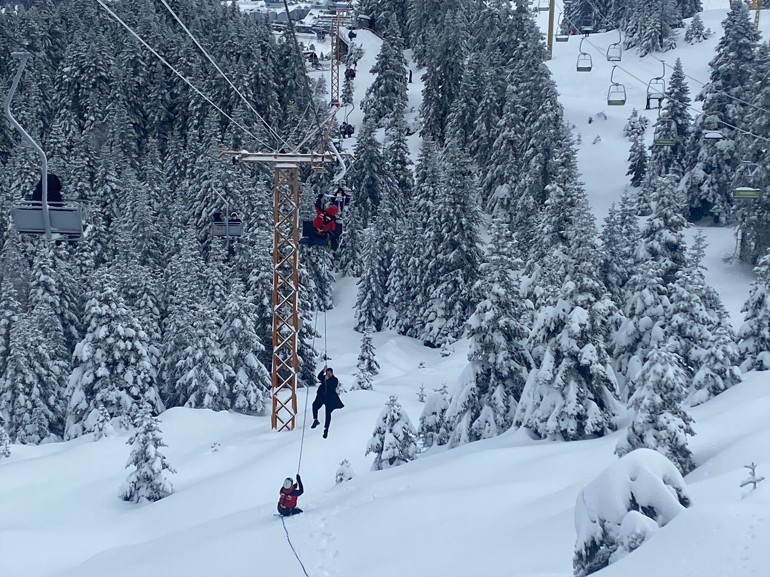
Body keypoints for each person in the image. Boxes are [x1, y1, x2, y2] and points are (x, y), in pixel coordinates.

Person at [311, 366, 344, 439]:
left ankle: (326, 429)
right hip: (322, 397)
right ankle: (315, 419)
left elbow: (332, 387)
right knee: (314, 405)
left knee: (328, 413)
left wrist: (327, 380)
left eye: (329, 373)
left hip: (330, 398)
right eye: (327, 373)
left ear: (332, 373)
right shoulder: (324, 377)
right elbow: (319, 377)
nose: (328, 374)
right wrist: (323, 370)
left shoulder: (335, 379)